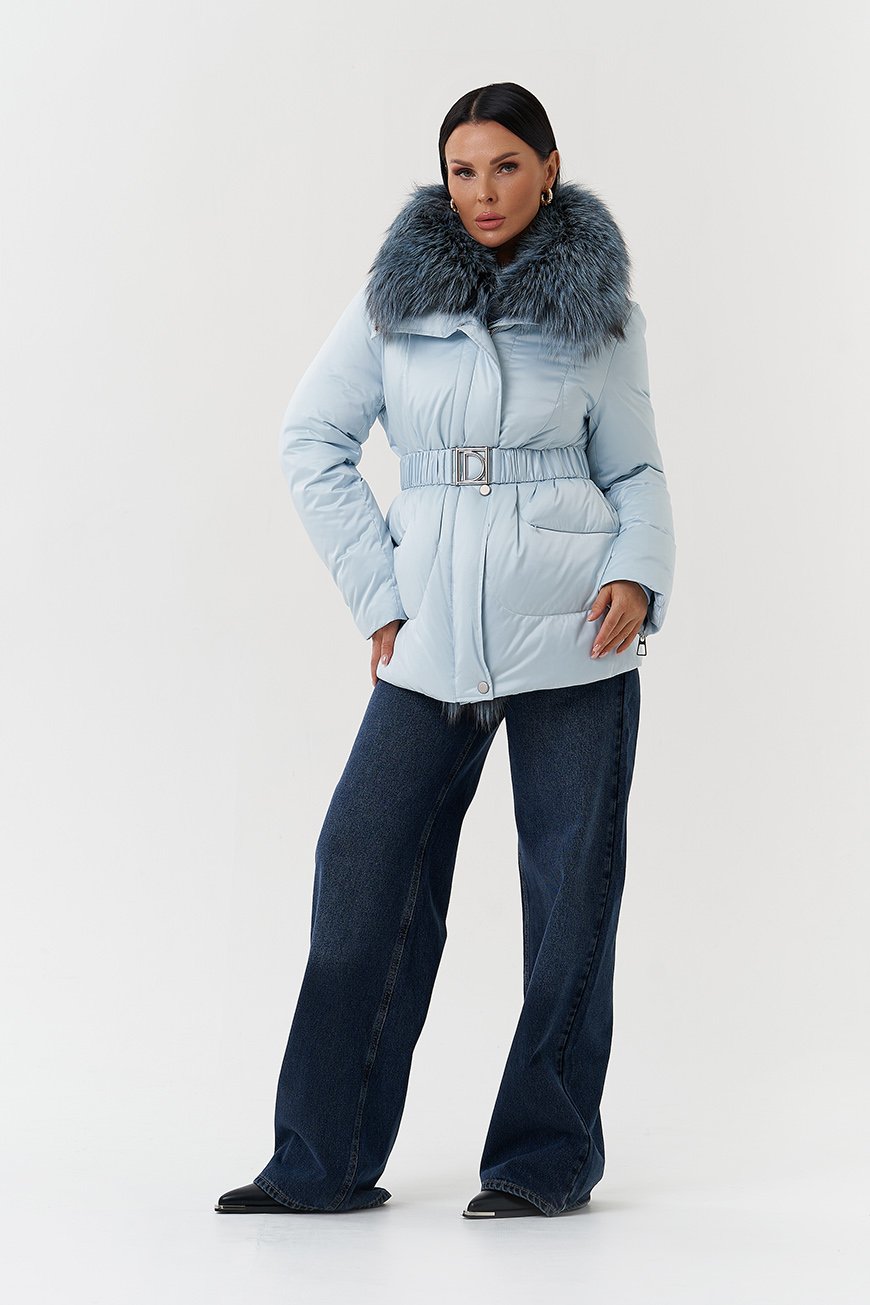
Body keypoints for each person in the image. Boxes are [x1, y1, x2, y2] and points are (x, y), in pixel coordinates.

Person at [216, 82, 675, 1220]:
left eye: (506, 166)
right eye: (463, 170)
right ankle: (320, 1162)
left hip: (576, 635)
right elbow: (312, 439)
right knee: (361, 864)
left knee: (570, 898)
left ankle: (542, 1160)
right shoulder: (394, 298)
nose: (483, 192)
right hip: (430, 640)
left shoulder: (603, 311)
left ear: (550, 169)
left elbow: (635, 469)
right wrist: (378, 595)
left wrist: (638, 571)